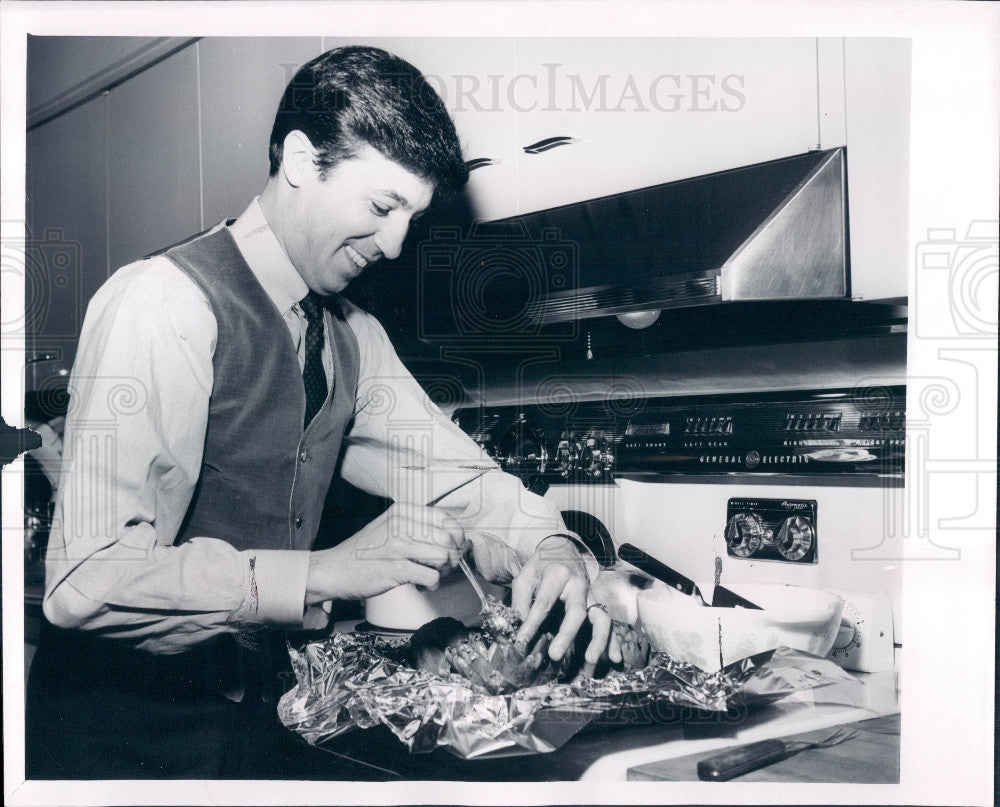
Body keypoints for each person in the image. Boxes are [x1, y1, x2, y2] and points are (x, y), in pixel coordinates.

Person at [25, 45, 612, 780]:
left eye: (413, 216)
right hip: (115, 737)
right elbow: (87, 580)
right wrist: (328, 570)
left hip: (255, 721)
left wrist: (552, 547)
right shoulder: (163, 304)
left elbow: (462, 482)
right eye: (381, 205)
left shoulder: (351, 336)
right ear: (302, 160)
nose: (397, 243)